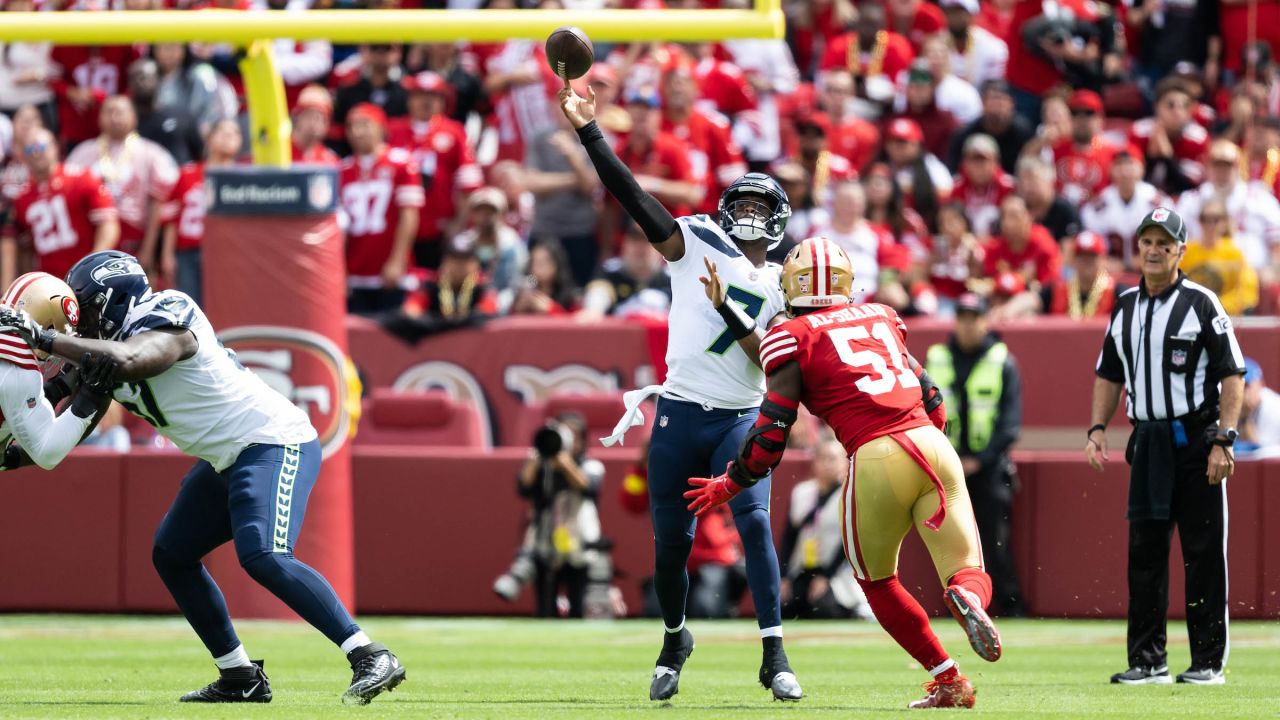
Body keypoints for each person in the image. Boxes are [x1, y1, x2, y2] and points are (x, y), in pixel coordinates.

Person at [0, 250, 405, 704]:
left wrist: (46, 339)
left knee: (264, 554)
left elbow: (133, 357)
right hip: (226, 459)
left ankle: (369, 653)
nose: (76, 324)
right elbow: (60, 428)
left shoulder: (167, 313)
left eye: (86, 309)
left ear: (111, 301)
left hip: (272, 440)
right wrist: (10, 456)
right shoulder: (102, 355)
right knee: (172, 553)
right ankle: (239, 676)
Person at [560, 82, 804, 701]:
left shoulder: (785, 284)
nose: (748, 214)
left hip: (740, 417)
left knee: (753, 523)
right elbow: (633, 195)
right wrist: (590, 132)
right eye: (740, 202)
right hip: (678, 409)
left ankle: (774, 653)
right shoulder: (694, 241)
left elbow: (772, 363)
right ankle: (674, 638)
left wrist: (732, 312)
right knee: (671, 544)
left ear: (777, 222)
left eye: (760, 205)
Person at [685, 236, 1001, 709]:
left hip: (875, 454)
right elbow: (932, 395)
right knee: (966, 569)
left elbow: (772, 433)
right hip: (932, 444)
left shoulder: (792, 337)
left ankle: (950, 679)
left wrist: (732, 481)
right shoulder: (880, 317)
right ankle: (968, 599)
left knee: (877, 581)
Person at [1086, 206, 1244, 686]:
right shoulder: (1126, 304)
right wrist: (1097, 428)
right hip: (1150, 440)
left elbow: (1231, 374)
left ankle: (1208, 662)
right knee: (1145, 553)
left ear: (1180, 250)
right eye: (1147, 242)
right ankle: (1148, 659)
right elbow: (1109, 372)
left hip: (1196, 438)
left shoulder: (1201, 303)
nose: (1153, 251)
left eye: (1163, 243)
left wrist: (1224, 439)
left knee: (1202, 553)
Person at [925, 293, 1026, 616]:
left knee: (995, 540)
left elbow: (1009, 424)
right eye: (963, 318)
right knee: (950, 542)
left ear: (985, 321)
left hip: (990, 468)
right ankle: (956, 605)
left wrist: (979, 460)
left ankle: (1010, 606)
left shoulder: (1002, 360)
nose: (968, 326)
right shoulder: (936, 357)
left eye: (974, 318)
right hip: (945, 466)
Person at [0, 273, 113, 472]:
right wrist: (91, 395)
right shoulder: (16, 357)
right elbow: (47, 452)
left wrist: (57, 390)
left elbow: (12, 407)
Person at [64, 96, 178, 266]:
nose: (114, 118)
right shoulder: (82, 153)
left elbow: (158, 203)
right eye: (109, 112)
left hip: (133, 234)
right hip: (90, 233)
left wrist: (148, 248)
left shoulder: (152, 154)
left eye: (120, 112)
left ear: (134, 117)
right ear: (99, 117)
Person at [516, 412, 606, 618]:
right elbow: (523, 486)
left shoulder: (591, 465)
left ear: (582, 441)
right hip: (545, 542)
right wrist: (541, 453)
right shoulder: (542, 465)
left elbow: (586, 485)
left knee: (577, 604)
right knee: (545, 607)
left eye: (572, 436)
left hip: (579, 543)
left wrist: (564, 462)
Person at [3, 128, 119, 286]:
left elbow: (109, 225)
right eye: (30, 149)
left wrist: (92, 267)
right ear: (23, 155)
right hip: (50, 284)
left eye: (41, 147)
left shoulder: (81, 178)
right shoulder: (21, 197)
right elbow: (25, 249)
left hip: (89, 276)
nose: (36, 153)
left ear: (55, 146)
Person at [339, 103, 423, 315]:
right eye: (351, 126)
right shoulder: (341, 169)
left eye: (364, 124)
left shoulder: (401, 163)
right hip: (355, 270)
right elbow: (338, 228)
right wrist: (340, 271)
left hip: (389, 269)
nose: (357, 132)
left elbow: (409, 214)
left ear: (380, 128)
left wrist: (397, 260)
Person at [779, 438, 872, 620]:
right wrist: (784, 577)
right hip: (803, 568)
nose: (827, 464)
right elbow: (789, 536)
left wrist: (826, 577)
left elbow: (848, 542)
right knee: (784, 608)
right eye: (822, 458)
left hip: (835, 572)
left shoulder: (850, 495)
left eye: (833, 459)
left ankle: (857, 609)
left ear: (845, 463)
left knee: (824, 608)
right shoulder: (802, 492)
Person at [159, 119, 241, 305]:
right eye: (223, 131)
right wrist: (167, 254)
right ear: (209, 139)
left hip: (227, 252)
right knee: (189, 305)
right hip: (188, 250)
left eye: (235, 132)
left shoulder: (241, 179)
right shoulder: (188, 174)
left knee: (225, 304)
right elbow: (171, 218)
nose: (229, 136)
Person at [1179, 198, 1259, 317]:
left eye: (1215, 219)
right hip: (1190, 314)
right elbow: (1175, 284)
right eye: (1205, 219)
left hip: (1224, 315)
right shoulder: (1187, 251)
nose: (1210, 224)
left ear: (1224, 222)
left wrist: (1215, 306)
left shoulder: (1234, 253)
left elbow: (1246, 292)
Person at [1239, 358, 1280, 458]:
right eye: (1240, 387)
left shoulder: (1274, 408)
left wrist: (1244, 418)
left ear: (1261, 385)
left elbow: (1258, 454)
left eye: (1247, 386)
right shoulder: (1228, 402)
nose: (1243, 393)